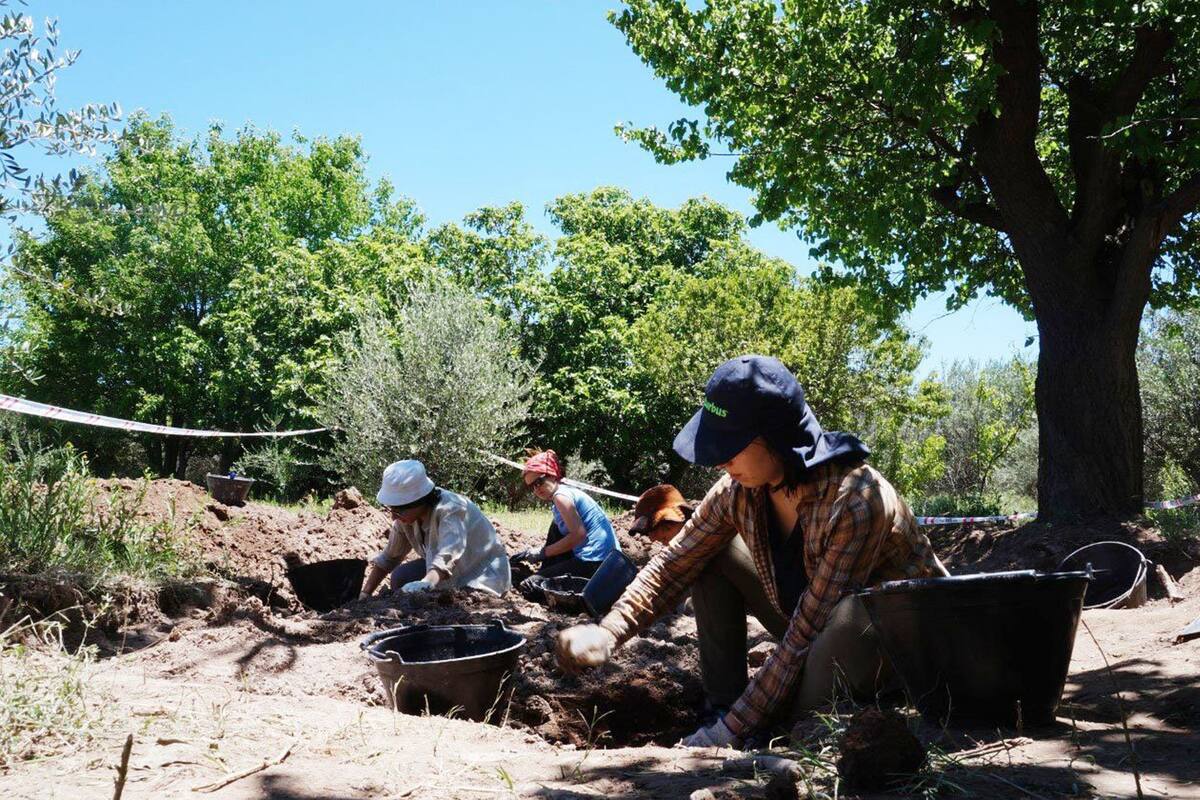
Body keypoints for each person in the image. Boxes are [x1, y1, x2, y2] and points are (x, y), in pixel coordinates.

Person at [555, 355, 948, 748]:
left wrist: (731, 734)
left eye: (732, 446)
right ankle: (724, 707)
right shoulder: (738, 490)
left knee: (837, 647)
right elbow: (674, 564)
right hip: (808, 627)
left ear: (775, 436)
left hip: (893, 651)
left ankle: (772, 725)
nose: (720, 461)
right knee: (707, 556)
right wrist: (608, 632)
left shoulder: (856, 499)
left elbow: (806, 633)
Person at [360, 460, 511, 598]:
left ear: (418, 502)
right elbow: (390, 557)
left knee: (446, 603)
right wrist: (365, 593)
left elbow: (448, 555)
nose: (393, 517)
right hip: (448, 573)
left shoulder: (451, 509)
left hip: (481, 574)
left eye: (398, 511)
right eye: (391, 509)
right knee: (401, 576)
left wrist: (427, 583)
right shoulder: (405, 518)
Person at [512, 449, 620, 597]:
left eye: (539, 481)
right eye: (532, 486)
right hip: (609, 562)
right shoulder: (565, 493)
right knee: (556, 525)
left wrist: (541, 553)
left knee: (529, 587)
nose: (536, 489)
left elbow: (578, 535)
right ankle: (547, 571)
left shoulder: (561, 497)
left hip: (595, 564)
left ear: (552, 475)